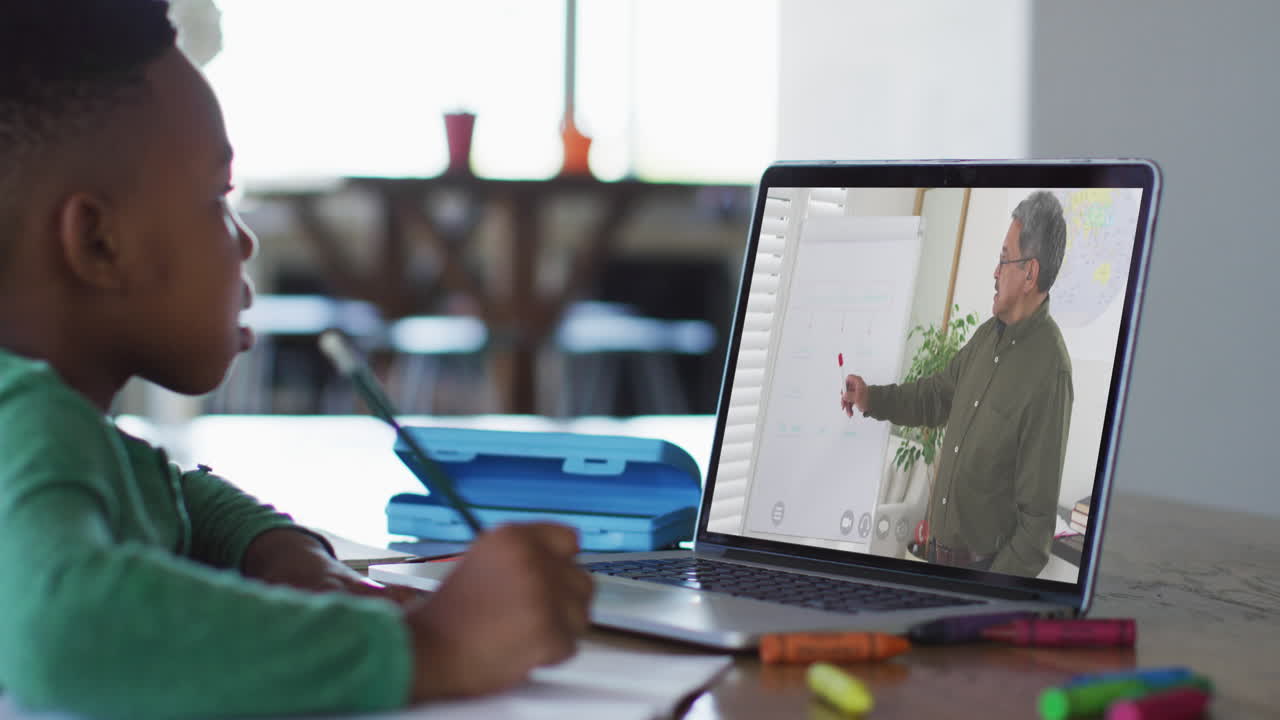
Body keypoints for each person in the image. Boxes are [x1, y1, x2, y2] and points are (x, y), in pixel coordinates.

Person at [0, 2, 591, 718]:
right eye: (219, 198)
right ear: (97, 243)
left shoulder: (52, 427)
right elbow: (68, 635)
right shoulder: (30, 425)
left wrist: (274, 549)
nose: (244, 242)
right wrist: (435, 648)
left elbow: (171, 493)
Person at [841, 191, 1073, 578]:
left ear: (1030, 273)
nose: (995, 272)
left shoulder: (1051, 372)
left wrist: (987, 594)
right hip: (934, 559)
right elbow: (934, 397)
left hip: (979, 576)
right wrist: (870, 397)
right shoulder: (986, 338)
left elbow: (1035, 528)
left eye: (1004, 259)